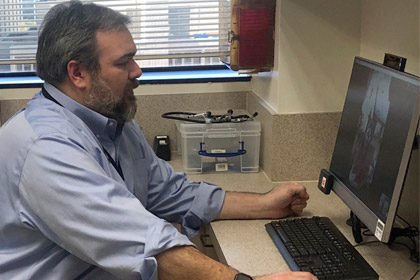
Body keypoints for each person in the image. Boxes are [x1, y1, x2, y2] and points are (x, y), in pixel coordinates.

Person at [0, 2, 315, 280]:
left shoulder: (112, 120)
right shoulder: (44, 147)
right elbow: (140, 243)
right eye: (124, 63)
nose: (138, 71)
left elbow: (168, 192)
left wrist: (263, 203)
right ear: (78, 73)